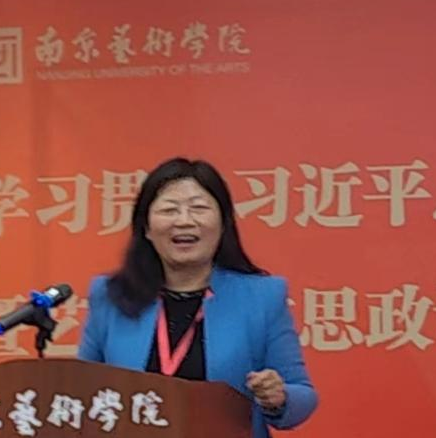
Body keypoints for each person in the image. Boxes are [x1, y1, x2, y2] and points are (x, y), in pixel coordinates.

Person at [78, 157, 317, 437]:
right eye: (169, 209)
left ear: (223, 224)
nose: (184, 221)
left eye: (199, 208)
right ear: (146, 228)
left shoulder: (262, 297)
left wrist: (279, 397)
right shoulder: (111, 295)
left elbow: (303, 394)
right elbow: (82, 389)